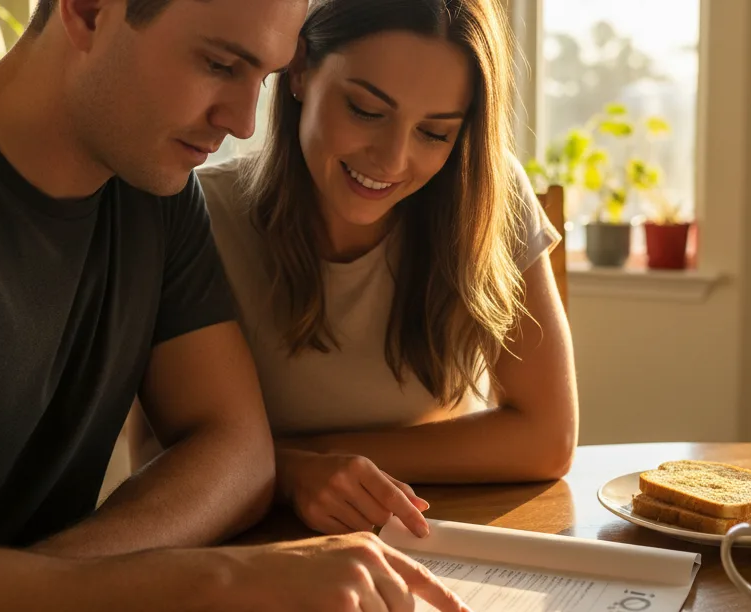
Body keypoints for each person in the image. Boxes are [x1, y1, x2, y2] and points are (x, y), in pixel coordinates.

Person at [0, 0, 469, 610]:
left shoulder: (154, 189)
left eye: (263, 77)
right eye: (218, 65)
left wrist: (50, 584)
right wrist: (223, 578)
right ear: (91, 10)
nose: (242, 121)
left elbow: (237, 452)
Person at [184, 0, 579, 537]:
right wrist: (293, 475)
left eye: (434, 133)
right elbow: (173, 457)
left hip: (430, 537)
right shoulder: (197, 216)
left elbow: (547, 439)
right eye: (367, 110)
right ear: (299, 70)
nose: (392, 161)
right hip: (241, 549)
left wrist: (310, 459)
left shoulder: (484, 197)